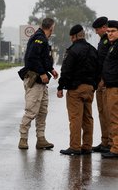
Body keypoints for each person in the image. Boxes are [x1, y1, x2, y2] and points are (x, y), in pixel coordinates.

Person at [57, 24, 99, 155]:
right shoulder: (93, 50)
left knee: (75, 118)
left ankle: (75, 146)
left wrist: (60, 86)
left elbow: (66, 70)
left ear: (73, 36)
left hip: (76, 89)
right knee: (88, 118)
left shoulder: (72, 50)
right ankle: (87, 146)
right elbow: (99, 69)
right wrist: (94, 86)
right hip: (90, 88)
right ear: (83, 35)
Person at [17, 17, 58, 149]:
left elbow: (43, 58)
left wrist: (51, 70)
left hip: (41, 82)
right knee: (31, 110)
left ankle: (41, 138)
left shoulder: (43, 39)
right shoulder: (39, 38)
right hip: (34, 79)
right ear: (51, 28)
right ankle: (23, 139)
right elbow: (32, 58)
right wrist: (42, 72)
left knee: (42, 111)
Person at [91, 17, 111, 153]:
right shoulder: (102, 40)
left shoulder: (109, 40)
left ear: (104, 27)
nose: (96, 32)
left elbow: (107, 62)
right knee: (102, 113)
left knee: (109, 114)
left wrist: (103, 78)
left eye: (98, 29)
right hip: (100, 82)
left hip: (106, 82)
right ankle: (105, 141)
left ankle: (111, 142)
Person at [101, 20, 118, 158]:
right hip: (110, 85)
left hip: (115, 86)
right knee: (112, 117)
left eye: (113, 31)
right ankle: (113, 145)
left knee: (115, 118)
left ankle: (116, 148)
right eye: (108, 31)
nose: (109, 34)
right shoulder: (113, 45)